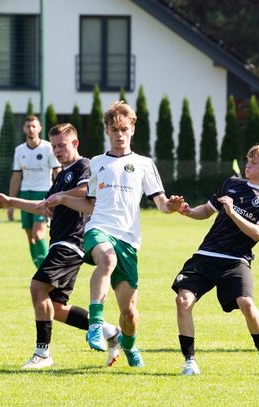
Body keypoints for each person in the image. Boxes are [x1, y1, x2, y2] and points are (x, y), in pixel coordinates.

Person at [43, 101, 183, 368]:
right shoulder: (97, 163)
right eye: (114, 129)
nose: (120, 134)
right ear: (107, 131)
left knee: (129, 313)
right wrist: (61, 198)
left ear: (132, 130)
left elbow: (162, 204)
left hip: (128, 239)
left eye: (124, 129)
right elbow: (90, 204)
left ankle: (128, 344)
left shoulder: (144, 164)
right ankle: (95, 324)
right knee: (106, 259)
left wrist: (172, 206)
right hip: (99, 229)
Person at [0, 123, 121, 369]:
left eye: (62, 145)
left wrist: (59, 198)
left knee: (37, 287)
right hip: (59, 242)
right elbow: (44, 205)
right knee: (56, 307)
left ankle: (42, 354)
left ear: (75, 143)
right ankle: (111, 332)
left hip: (72, 241)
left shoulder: (84, 166)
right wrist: (11, 201)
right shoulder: (61, 176)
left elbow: (86, 191)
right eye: (54, 147)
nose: (58, 150)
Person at [171, 144, 259, 376]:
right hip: (206, 256)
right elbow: (207, 210)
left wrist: (233, 213)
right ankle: (190, 362)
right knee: (183, 301)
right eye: (248, 160)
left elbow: (257, 233)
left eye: (254, 162)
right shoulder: (232, 183)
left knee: (247, 303)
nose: (248, 165)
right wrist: (187, 211)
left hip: (236, 261)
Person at [8, 115, 61, 268]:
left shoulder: (48, 148)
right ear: (24, 129)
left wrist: (59, 195)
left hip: (43, 194)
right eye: (28, 126)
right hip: (26, 194)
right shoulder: (19, 150)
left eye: (34, 126)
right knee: (30, 237)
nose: (31, 129)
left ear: (39, 129)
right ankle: (40, 270)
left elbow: (57, 172)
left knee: (38, 234)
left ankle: (47, 271)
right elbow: (16, 176)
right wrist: (11, 203)